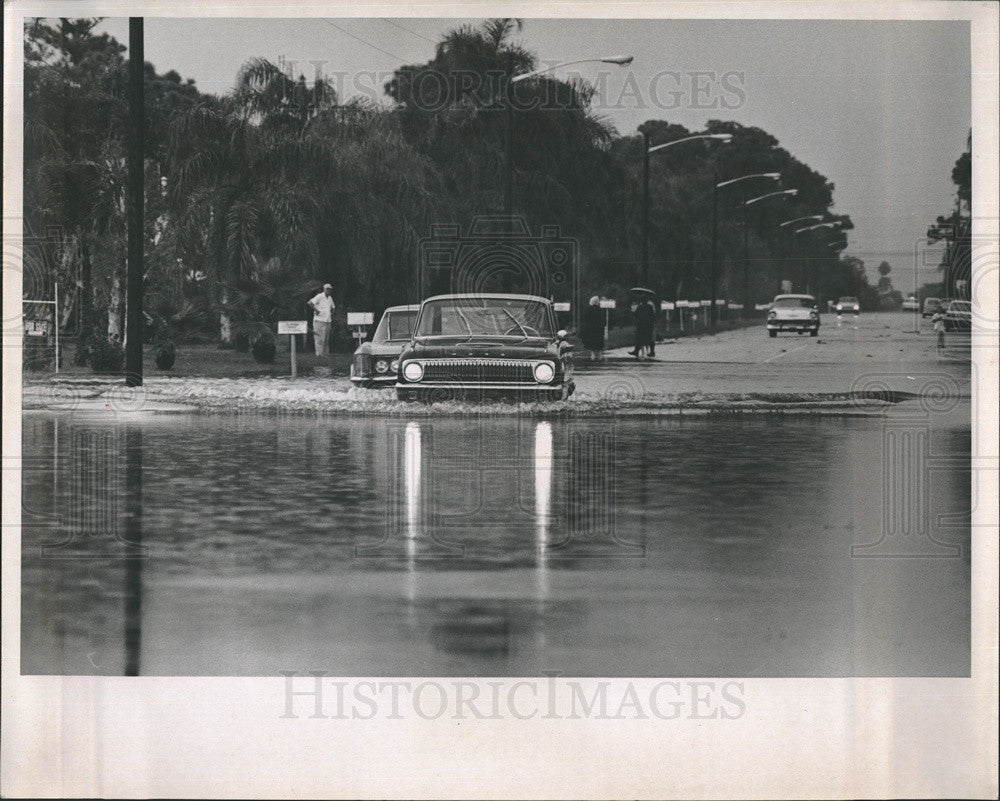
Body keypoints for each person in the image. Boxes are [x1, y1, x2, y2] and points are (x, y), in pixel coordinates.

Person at [308, 283, 336, 357]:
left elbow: (333, 307)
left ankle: (325, 354)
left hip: (327, 320)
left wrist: (331, 312)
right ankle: (319, 354)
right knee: (319, 338)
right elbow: (310, 303)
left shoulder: (330, 298)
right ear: (324, 289)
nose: (328, 290)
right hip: (319, 320)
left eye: (329, 289)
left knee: (326, 339)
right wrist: (316, 310)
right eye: (327, 289)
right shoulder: (319, 296)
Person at [581, 296, 605, 362]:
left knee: (592, 342)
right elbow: (602, 320)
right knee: (599, 342)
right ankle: (600, 355)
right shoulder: (600, 309)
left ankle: (593, 355)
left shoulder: (588, 309)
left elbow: (585, 319)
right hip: (598, 329)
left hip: (591, 328)